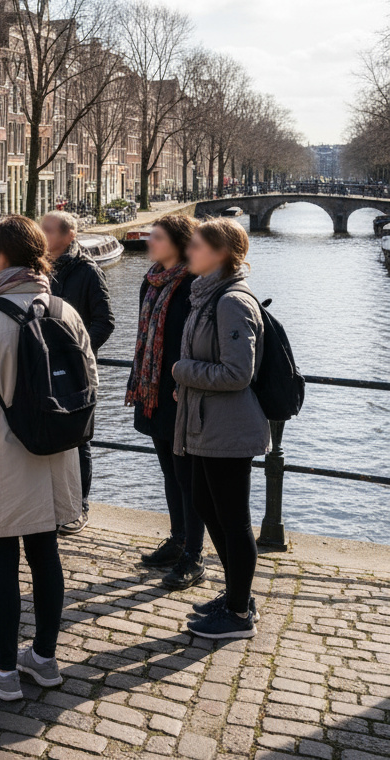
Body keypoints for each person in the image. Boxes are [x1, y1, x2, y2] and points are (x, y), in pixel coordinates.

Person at [0, 215, 95, 701]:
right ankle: (46, 659)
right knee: (46, 556)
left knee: (0, 561)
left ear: (2, 256)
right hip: (55, 451)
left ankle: (4, 669)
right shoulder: (64, 310)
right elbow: (88, 381)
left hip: (2, 451)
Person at [172, 218, 269, 640]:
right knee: (207, 507)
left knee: (233, 519)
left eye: (196, 246)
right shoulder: (206, 296)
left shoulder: (231, 301)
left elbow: (237, 373)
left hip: (228, 429)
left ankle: (238, 614)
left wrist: (182, 371)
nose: (189, 251)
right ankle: (237, 595)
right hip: (205, 424)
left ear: (220, 253)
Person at [125, 215, 205, 590]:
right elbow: (143, 336)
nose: (149, 242)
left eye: (156, 237)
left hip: (180, 394)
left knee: (188, 477)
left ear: (177, 242)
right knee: (170, 474)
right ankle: (177, 540)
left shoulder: (193, 285)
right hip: (153, 392)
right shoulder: (152, 280)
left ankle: (194, 555)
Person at [41, 210, 115, 533]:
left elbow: (105, 322)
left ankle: (79, 505)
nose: (42, 235)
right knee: (47, 434)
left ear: (69, 235)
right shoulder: (39, 269)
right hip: (43, 367)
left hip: (77, 371)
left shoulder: (88, 272)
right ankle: (49, 504)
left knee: (79, 439)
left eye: (49, 230)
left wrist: (77, 352)